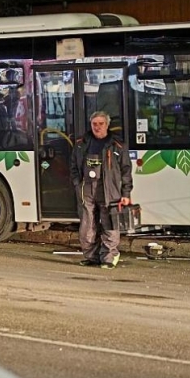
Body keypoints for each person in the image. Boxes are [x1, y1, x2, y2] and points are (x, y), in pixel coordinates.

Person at [69, 110, 133, 269]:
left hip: (109, 191)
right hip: (86, 190)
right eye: (94, 124)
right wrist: (78, 184)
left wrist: (126, 193)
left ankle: (109, 257)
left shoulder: (117, 145)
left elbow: (126, 171)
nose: (97, 127)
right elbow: (73, 167)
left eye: (101, 124)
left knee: (109, 223)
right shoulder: (80, 144)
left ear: (107, 124)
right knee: (87, 225)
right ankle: (91, 256)